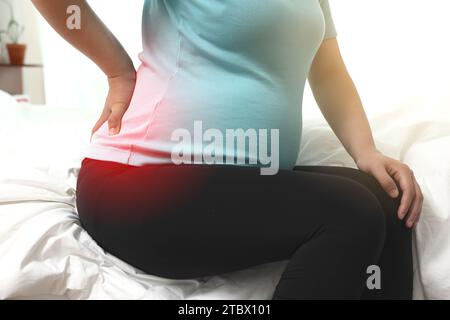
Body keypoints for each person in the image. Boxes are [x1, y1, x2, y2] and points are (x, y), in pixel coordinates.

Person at [32, 0, 423, 299]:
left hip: (232, 181)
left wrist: (366, 152)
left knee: (387, 198)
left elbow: (328, 71)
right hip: (139, 180)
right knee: (350, 212)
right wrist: (117, 70)